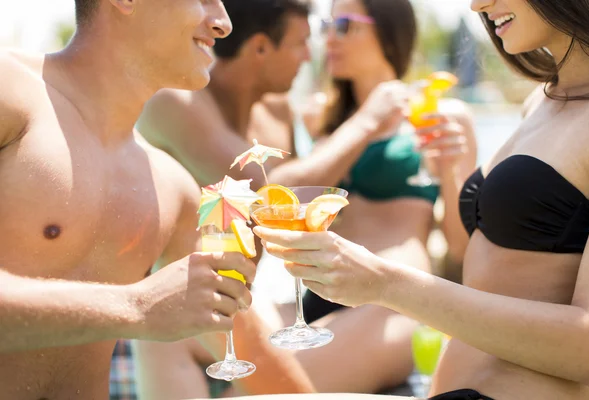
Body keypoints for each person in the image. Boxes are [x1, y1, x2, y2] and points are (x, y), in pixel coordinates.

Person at [255, 0, 589, 399]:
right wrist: (452, 172)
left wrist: (386, 285)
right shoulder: (541, 100)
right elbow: (486, 262)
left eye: (346, 25)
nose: (476, 5)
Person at [135, 0, 476, 397]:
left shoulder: (440, 117)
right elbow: (280, 194)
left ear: (387, 31)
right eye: (328, 25)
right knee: (161, 337)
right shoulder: (320, 119)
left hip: (392, 300)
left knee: (257, 391)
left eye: (345, 25)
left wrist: (449, 173)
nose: (328, 38)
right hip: (318, 295)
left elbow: (460, 249)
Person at [0, 1, 262, 398]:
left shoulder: (172, 187)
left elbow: (255, 358)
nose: (223, 23)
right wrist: (134, 307)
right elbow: (141, 307)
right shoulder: (9, 92)